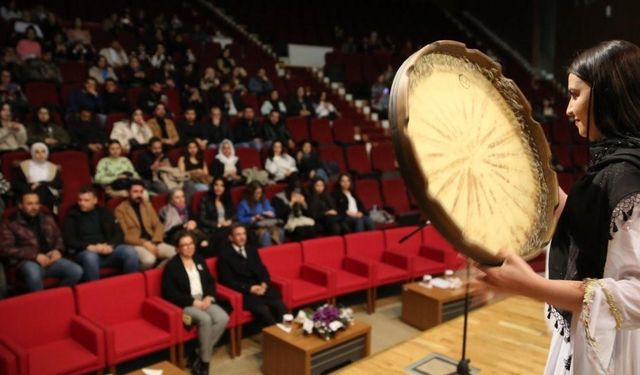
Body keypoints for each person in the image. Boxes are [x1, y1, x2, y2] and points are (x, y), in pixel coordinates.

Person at [474, 40, 640, 375]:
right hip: (597, 334)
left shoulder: (627, 176)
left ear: (607, 96)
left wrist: (531, 286)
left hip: (615, 349)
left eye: (576, 94)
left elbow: (636, 293)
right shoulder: (614, 166)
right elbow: (596, 232)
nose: (567, 108)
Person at [162, 232, 230, 375]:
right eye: (184, 245)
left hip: (204, 300)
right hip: (185, 306)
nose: (188, 247)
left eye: (191, 244)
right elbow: (170, 294)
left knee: (223, 317)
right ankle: (204, 364)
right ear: (178, 248)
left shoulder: (199, 260)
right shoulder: (172, 266)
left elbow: (210, 281)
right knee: (205, 320)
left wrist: (209, 297)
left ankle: (198, 352)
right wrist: (193, 302)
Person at [0, 191, 82, 292]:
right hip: (27, 261)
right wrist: (35, 256)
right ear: (20, 205)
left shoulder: (46, 218)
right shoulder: (10, 223)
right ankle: (41, 304)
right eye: (29, 204)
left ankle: (57, 297)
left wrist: (58, 250)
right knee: (34, 274)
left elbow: (58, 237)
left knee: (76, 271)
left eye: (36, 203)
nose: (34, 207)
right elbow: (6, 249)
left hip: (50, 258)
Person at [216, 224, 287, 328]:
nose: (242, 237)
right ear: (231, 238)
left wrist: (264, 283)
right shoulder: (224, 255)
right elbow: (227, 281)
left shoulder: (251, 249)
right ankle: (276, 339)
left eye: (244, 234)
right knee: (264, 313)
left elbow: (262, 269)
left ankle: (288, 335)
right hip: (244, 292)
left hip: (260, 287)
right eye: (238, 235)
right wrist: (249, 288)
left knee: (280, 307)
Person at [63, 186, 139, 281]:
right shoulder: (72, 215)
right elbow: (69, 240)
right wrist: (91, 247)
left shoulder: (104, 212)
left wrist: (110, 246)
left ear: (95, 200)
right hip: (86, 251)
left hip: (107, 249)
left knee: (129, 251)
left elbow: (119, 233)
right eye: (80, 200)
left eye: (86, 200)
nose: (82, 203)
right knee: (90, 258)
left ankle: (131, 284)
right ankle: (94, 290)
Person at [114, 180, 176, 269]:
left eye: (141, 192)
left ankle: (157, 272)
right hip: (135, 244)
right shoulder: (120, 210)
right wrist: (145, 244)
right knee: (149, 260)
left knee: (177, 254)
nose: (139, 195)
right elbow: (125, 236)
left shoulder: (147, 205)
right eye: (135, 192)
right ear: (128, 193)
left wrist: (155, 241)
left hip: (154, 240)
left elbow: (158, 225)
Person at [159, 189, 210, 254]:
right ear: (171, 200)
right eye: (177, 197)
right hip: (174, 236)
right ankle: (202, 240)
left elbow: (195, 220)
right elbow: (167, 231)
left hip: (190, 233)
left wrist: (193, 222)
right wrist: (184, 226)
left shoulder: (187, 208)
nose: (181, 199)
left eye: (182, 196)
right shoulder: (166, 211)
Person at [13, 143, 62, 212]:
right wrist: (31, 186)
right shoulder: (24, 166)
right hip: (29, 192)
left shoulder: (53, 167)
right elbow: (16, 184)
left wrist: (41, 183)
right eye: (37, 152)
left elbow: (58, 183)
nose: (41, 155)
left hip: (49, 193)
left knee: (43, 188)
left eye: (43, 151)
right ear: (32, 153)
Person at [237, 181, 284, 247]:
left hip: (267, 223)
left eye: (260, 193)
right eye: (256, 193)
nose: (258, 195)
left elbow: (271, 211)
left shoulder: (264, 200)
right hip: (254, 227)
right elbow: (240, 219)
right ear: (251, 193)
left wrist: (270, 213)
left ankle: (278, 252)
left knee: (280, 231)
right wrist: (253, 218)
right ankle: (268, 254)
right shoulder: (243, 204)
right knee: (266, 235)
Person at [199, 177, 234, 257]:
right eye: (216, 185)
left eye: (222, 186)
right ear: (212, 186)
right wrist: (217, 224)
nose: (219, 188)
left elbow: (233, 214)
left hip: (227, 227)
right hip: (213, 229)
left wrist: (230, 221)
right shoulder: (206, 199)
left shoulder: (227, 199)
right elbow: (202, 219)